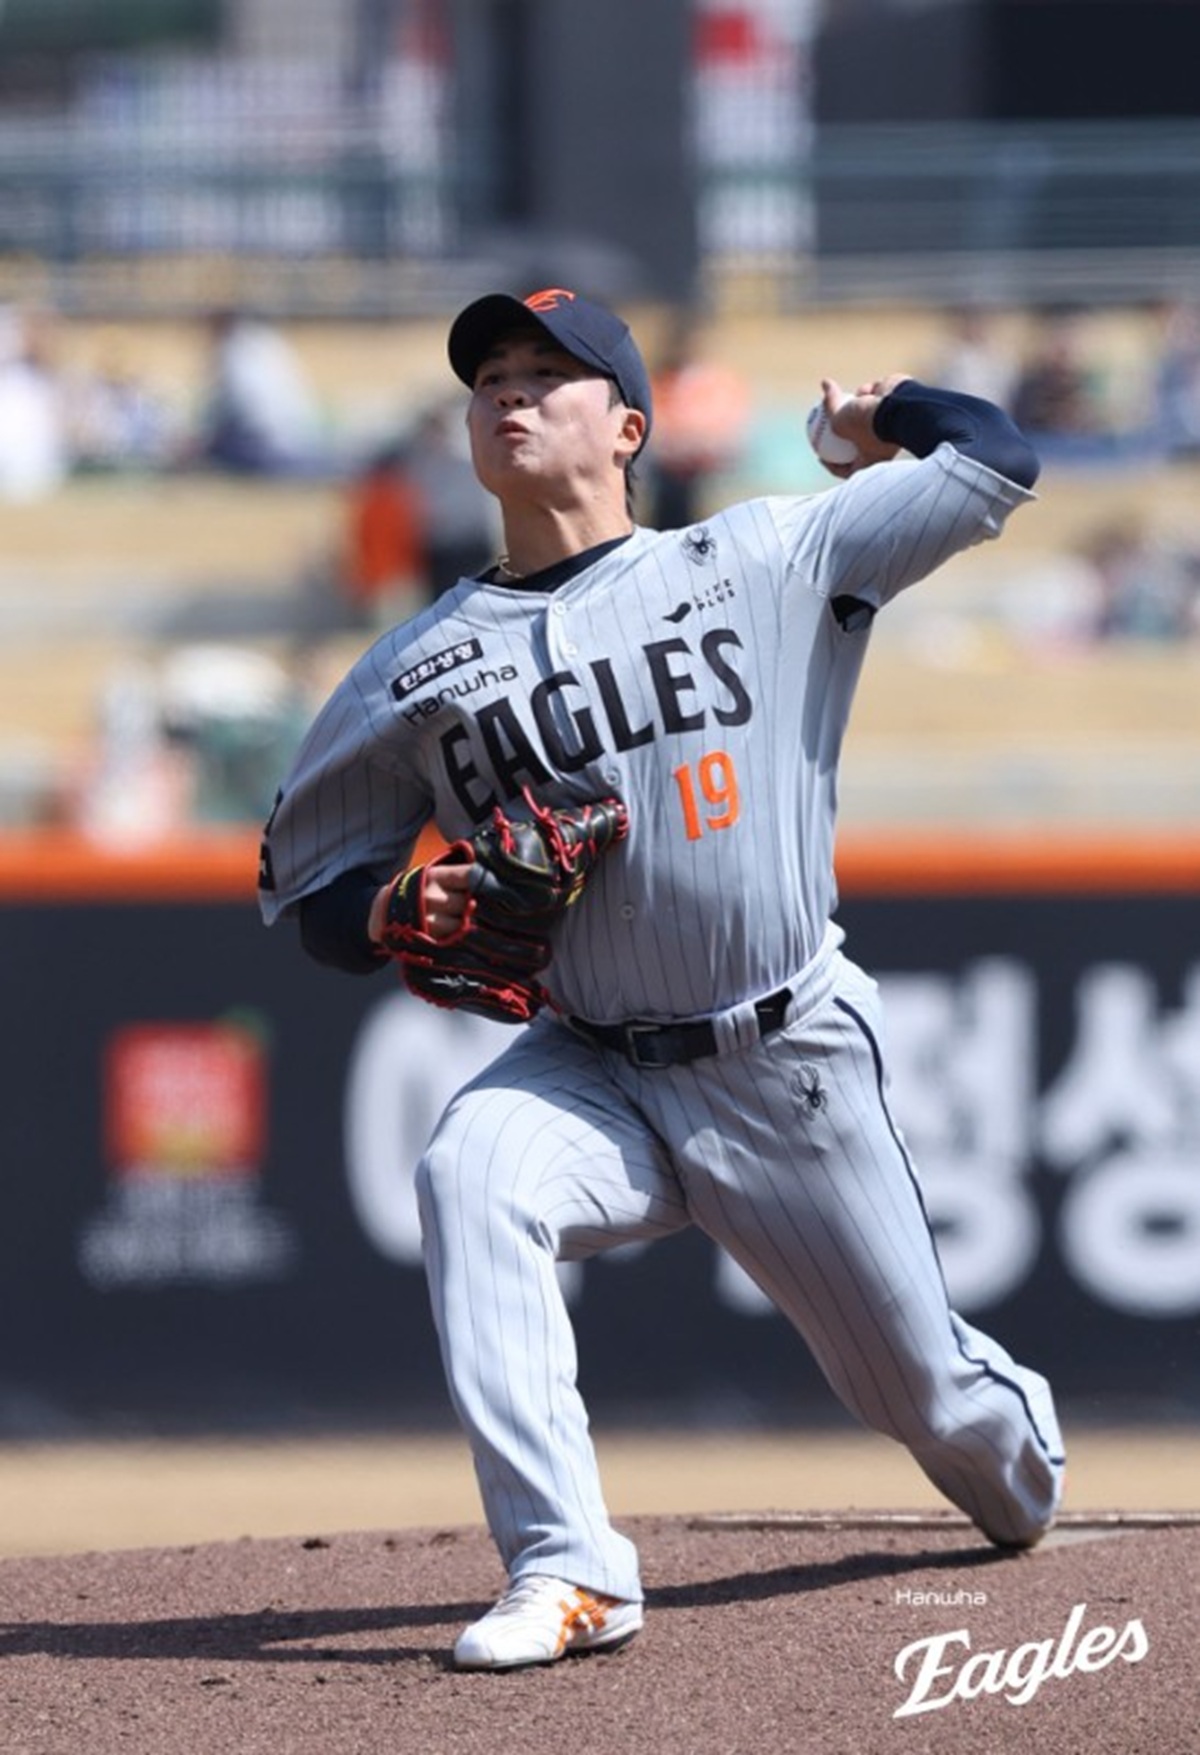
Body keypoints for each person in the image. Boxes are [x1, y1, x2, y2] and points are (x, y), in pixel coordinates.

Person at [258, 286, 1065, 1672]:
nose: (510, 394)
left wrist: (877, 419)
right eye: (490, 377)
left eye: (546, 373)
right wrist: (398, 905)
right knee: (471, 1172)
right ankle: (569, 1566)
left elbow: (998, 456)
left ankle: (1019, 1447)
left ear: (628, 427)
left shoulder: (765, 554)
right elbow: (311, 895)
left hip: (785, 1060)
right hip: (593, 1067)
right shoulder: (415, 667)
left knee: (929, 1405)